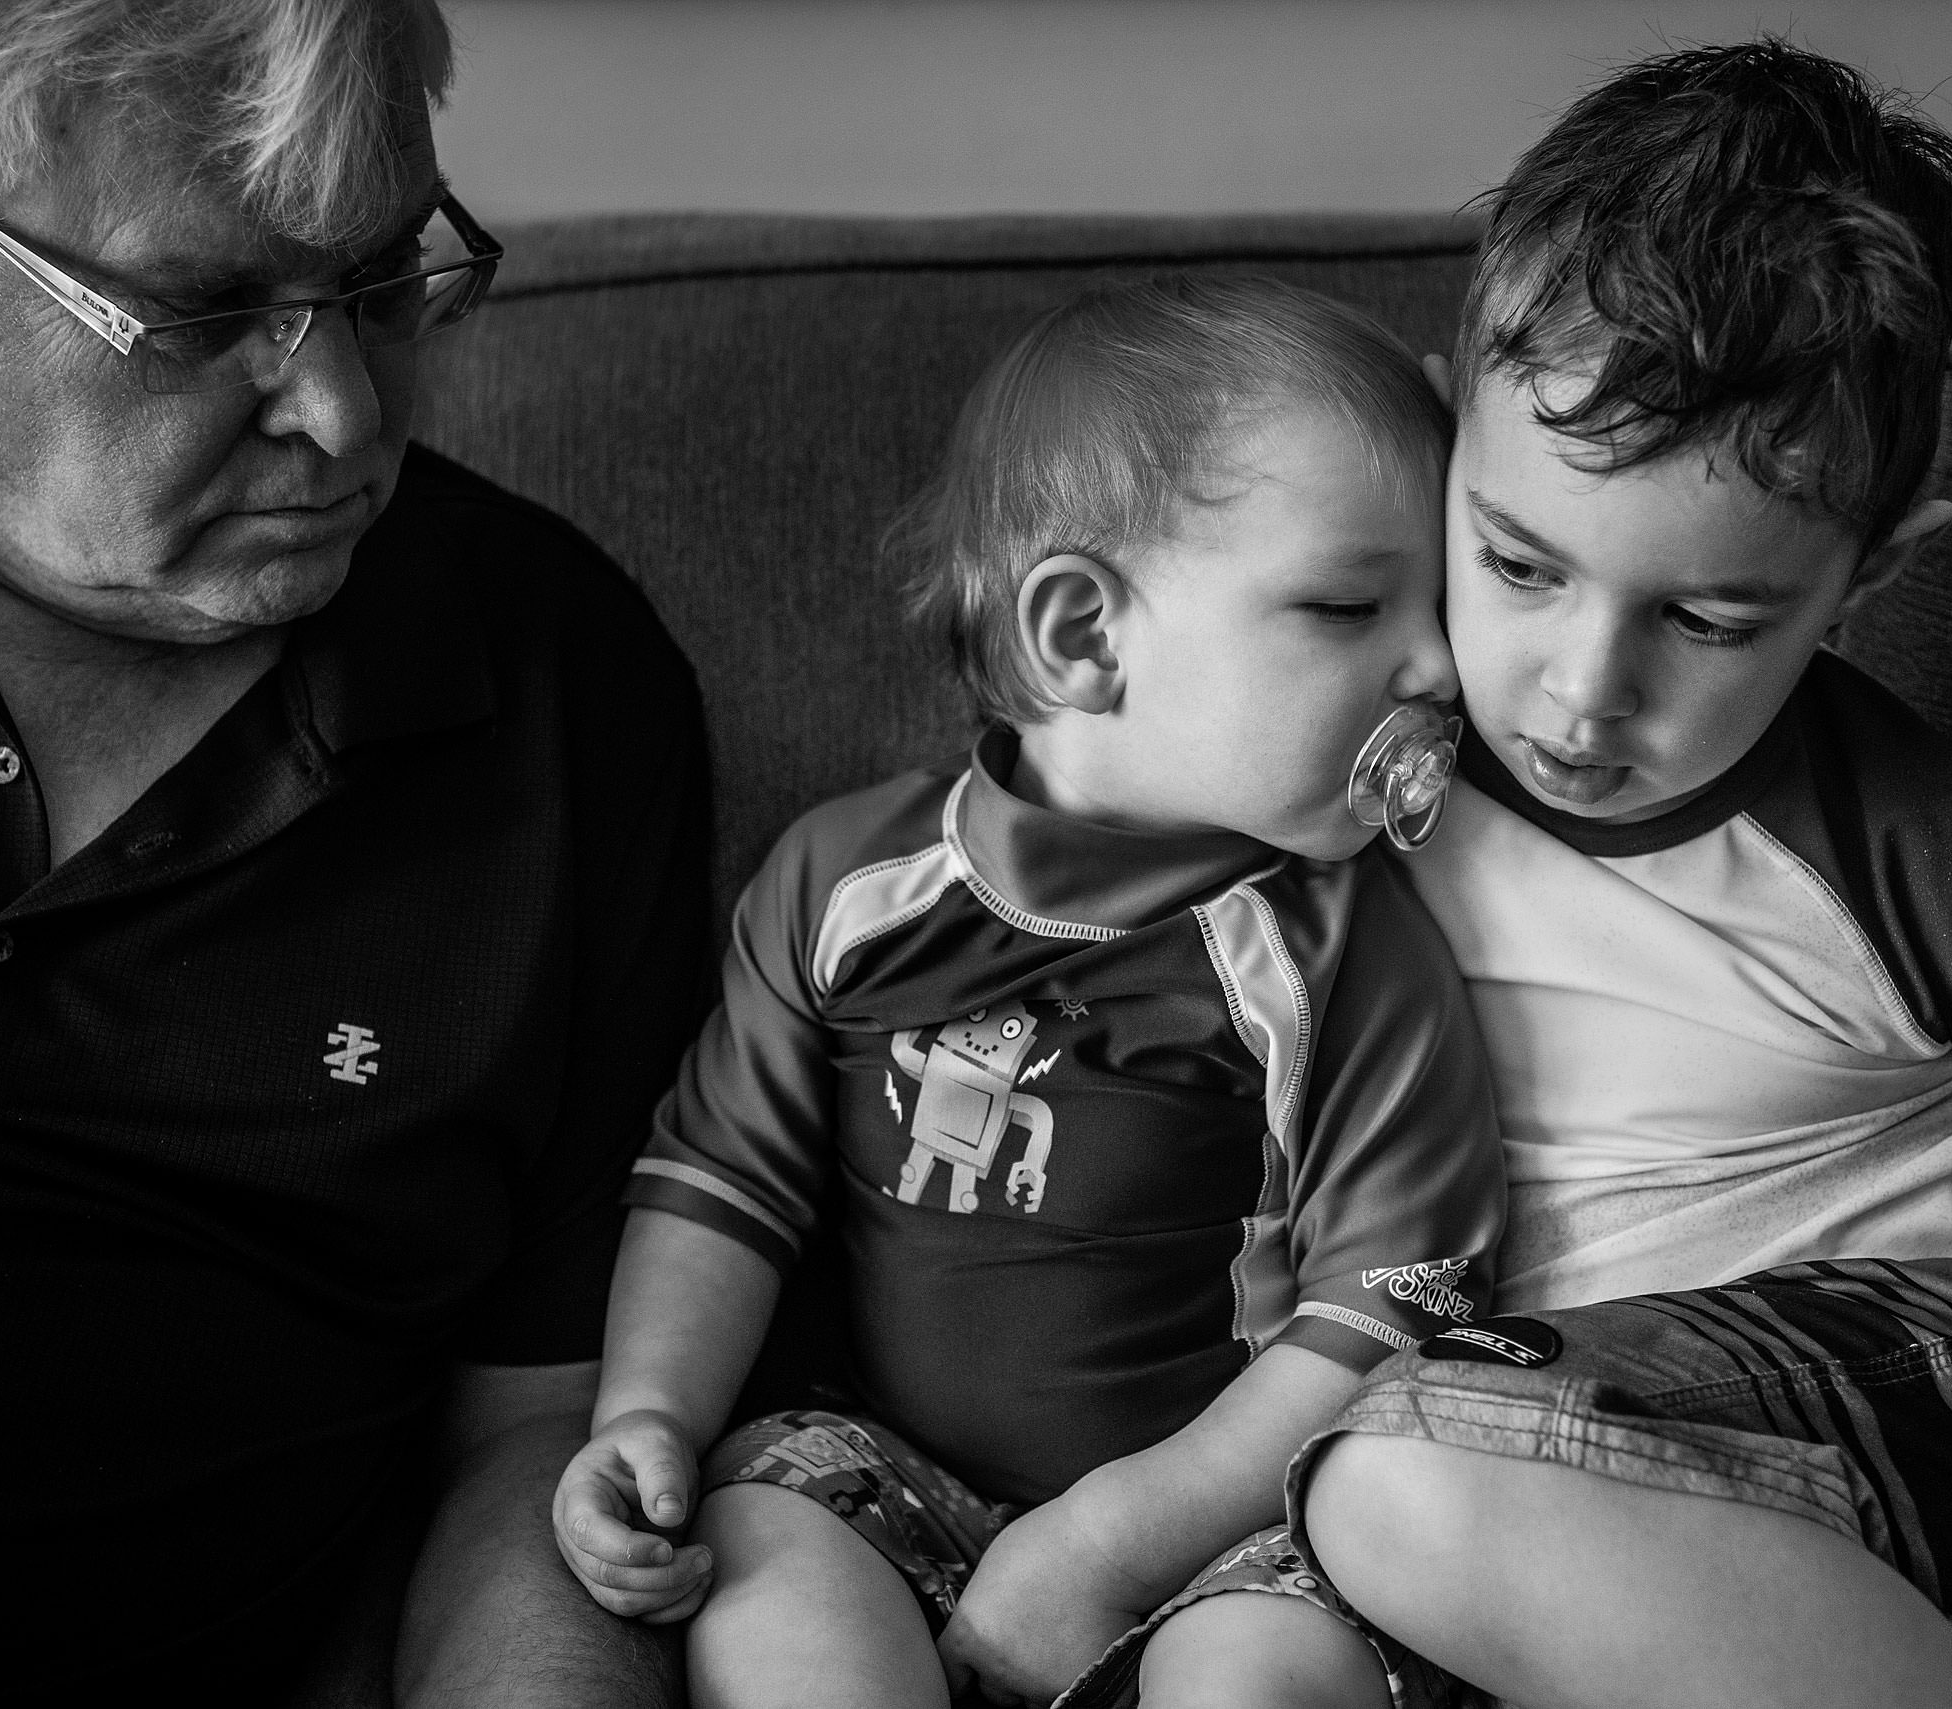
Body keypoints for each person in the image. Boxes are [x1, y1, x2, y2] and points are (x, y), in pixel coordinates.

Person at [0, 2, 707, 1703]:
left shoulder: (558, 688)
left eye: (382, 277)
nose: (353, 417)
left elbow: (534, 1449)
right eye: (202, 309)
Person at [1284, 39, 1952, 1709]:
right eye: (1515, 563)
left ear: (1864, 579)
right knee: (1267, 1633)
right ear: (1442, 446)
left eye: (1706, 622)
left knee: (1394, 1471)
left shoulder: (1936, 856)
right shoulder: (1347, 772)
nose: (1580, 690)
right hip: (1602, 1454)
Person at [549, 275, 1508, 1709]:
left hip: (1225, 1525)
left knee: (1263, 1672)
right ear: (1084, 638)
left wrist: (1109, 1543)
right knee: (764, 1546)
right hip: (889, 1479)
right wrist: (648, 1412)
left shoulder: (1343, 947)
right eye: (1352, 603)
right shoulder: (840, 883)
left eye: (1439, 601)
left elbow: (1383, 1312)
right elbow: (718, 1182)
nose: (1440, 665)